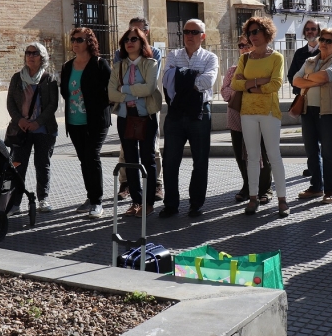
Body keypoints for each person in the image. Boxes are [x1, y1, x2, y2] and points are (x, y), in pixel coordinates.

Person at [160, 19, 219, 218]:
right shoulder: (173, 54)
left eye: (194, 32)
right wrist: (192, 78)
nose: (189, 35)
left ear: (203, 35)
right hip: (176, 113)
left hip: (199, 113)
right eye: (186, 31)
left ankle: (196, 204)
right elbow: (167, 81)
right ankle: (170, 205)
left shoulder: (210, 57)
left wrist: (180, 78)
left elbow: (208, 81)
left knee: (200, 161)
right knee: (170, 161)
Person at [231, 17, 288, 216]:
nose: (252, 36)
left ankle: (282, 199)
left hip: (269, 112)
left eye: (256, 32)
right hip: (247, 112)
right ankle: (253, 198)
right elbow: (235, 84)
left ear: (266, 33)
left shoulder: (277, 57)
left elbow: (275, 84)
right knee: (252, 157)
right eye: (249, 33)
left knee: (273, 155)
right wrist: (258, 82)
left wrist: (249, 84)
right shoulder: (244, 58)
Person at [108, 27, 162, 217]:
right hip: (125, 116)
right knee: (130, 160)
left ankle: (148, 203)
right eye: (126, 40)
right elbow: (111, 93)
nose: (130, 42)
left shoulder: (151, 63)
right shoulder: (118, 66)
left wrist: (124, 88)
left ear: (141, 42)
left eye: (134, 39)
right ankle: (136, 202)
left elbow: (149, 89)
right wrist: (130, 92)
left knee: (148, 158)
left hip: (145, 116)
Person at [60, 28, 112, 218]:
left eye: (79, 39)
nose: (75, 42)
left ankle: (97, 201)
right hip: (75, 121)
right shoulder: (67, 66)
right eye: (73, 39)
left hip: (96, 121)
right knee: (84, 159)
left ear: (89, 42)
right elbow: (64, 90)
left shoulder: (99, 64)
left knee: (91, 156)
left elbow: (111, 89)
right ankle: (90, 197)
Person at [292, 27, 332, 206]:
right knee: (311, 151)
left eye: (328, 41)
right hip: (309, 110)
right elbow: (295, 80)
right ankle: (316, 186)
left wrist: (308, 77)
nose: (323, 43)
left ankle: (331, 190)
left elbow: (325, 76)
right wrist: (312, 78)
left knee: (328, 152)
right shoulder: (309, 60)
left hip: (329, 111)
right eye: (322, 39)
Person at [6, 42, 59, 214]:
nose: (30, 56)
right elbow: (10, 103)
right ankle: (15, 203)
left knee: (42, 165)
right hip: (21, 130)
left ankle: (43, 199)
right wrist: (19, 120)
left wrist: (38, 122)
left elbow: (52, 105)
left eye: (34, 53)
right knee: (18, 166)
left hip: (43, 130)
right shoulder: (17, 78)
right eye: (28, 52)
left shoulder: (48, 79)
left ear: (42, 57)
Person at [221, 35, 272, 204]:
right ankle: (247, 186)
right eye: (240, 45)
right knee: (240, 154)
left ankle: (265, 189)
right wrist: (241, 85)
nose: (243, 48)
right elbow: (225, 92)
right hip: (237, 117)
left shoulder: (264, 66)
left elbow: (268, 88)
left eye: (247, 45)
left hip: (258, 116)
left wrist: (247, 84)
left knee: (262, 154)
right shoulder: (233, 69)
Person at [287, 20, 322, 183]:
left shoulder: (326, 51)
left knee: (323, 138)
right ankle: (313, 166)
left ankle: (320, 171)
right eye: (307, 29)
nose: (310, 32)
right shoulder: (300, 53)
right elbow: (291, 75)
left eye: (313, 29)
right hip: (305, 100)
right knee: (309, 138)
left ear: (319, 31)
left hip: (323, 101)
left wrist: (305, 80)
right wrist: (301, 88)